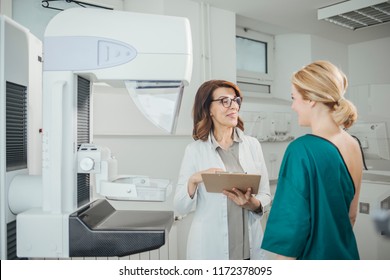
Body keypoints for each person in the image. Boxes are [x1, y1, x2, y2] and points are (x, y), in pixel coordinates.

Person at [261, 60, 363, 260]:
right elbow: (351, 216)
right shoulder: (353, 144)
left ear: (310, 100)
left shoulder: (301, 149)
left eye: (294, 98)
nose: (293, 106)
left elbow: (288, 233)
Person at [174, 80, 271, 260]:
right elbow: (180, 206)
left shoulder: (252, 145)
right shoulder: (195, 151)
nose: (233, 106)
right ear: (208, 109)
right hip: (211, 248)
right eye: (224, 101)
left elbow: (265, 194)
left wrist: (253, 204)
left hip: (248, 249)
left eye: (236, 101)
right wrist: (195, 179)